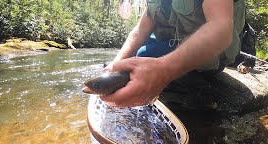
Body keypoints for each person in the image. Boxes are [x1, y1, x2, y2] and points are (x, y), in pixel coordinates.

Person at [101, 0, 245, 107]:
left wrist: (163, 70)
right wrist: (115, 65)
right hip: (174, 40)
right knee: (142, 53)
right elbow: (141, 29)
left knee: (145, 55)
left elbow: (221, 28)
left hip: (213, 54)